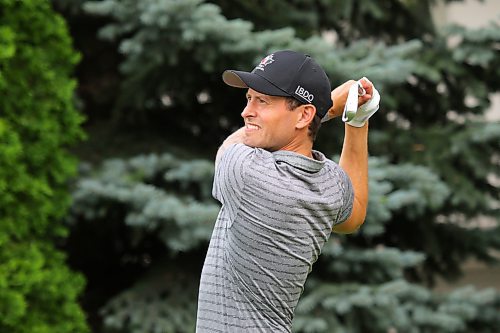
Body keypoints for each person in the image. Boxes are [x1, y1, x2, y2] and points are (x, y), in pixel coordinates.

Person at [196, 50, 380, 332]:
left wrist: (329, 108)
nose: (247, 111)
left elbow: (228, 148)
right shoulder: (329, 182)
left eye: (263, 101)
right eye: (249, 98)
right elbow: (354, 214)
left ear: (304, 115)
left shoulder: (248, 173)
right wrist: (357, 122)